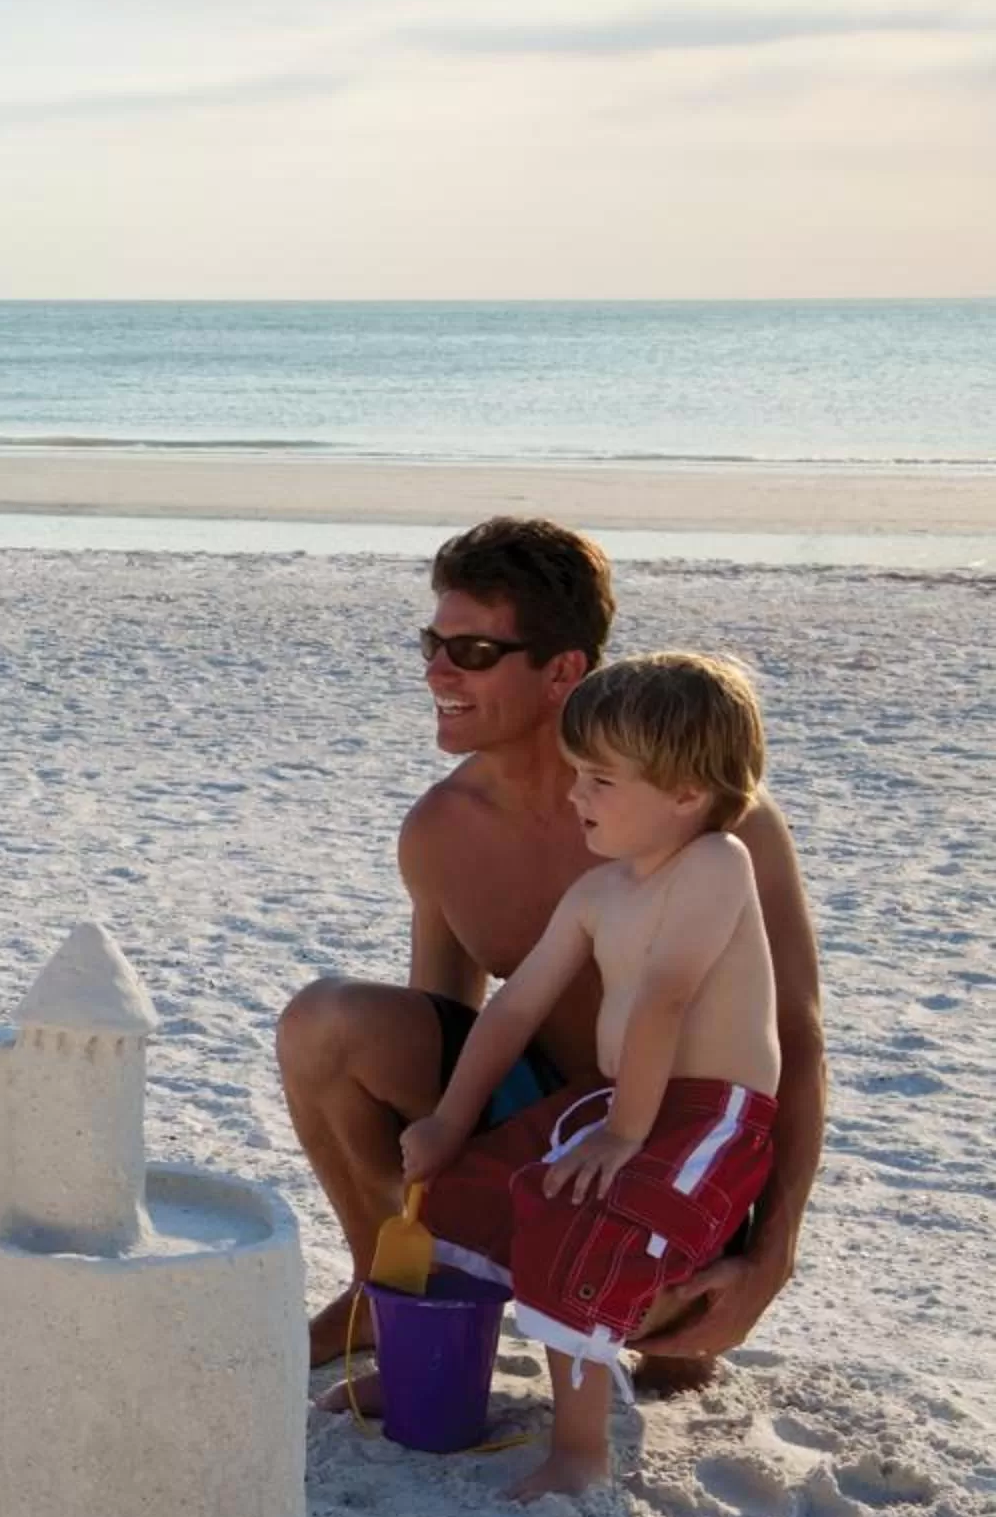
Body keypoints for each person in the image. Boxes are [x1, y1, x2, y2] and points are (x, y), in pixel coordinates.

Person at [276, 518, 823, 1396]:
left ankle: (641, 1292)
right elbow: (448, 1031)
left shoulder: (716, 825)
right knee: (325, 1024)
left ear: (564, 669)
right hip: (549, 1129)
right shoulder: (441, 831)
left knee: (661, 1335)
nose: (437, 671)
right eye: (432, 642)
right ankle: (391, 1286)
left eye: (473, 649)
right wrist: (445, 1152)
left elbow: (795, 1036)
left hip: (671, 1146)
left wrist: (772, 1255)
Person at [400, 655, 779, 1498]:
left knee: (586, 1222)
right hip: (617, 1101)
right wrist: (451, 1122)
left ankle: (579, 1451)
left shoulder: (716, 864)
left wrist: (626, 1133)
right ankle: (426, 1380)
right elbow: (510, 1011)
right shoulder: (598, 892)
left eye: (600, 781)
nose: (576, 797)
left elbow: (666, 1000)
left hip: (706, 1116)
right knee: (466, 1189)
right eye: (577, 775)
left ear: (685, 792)